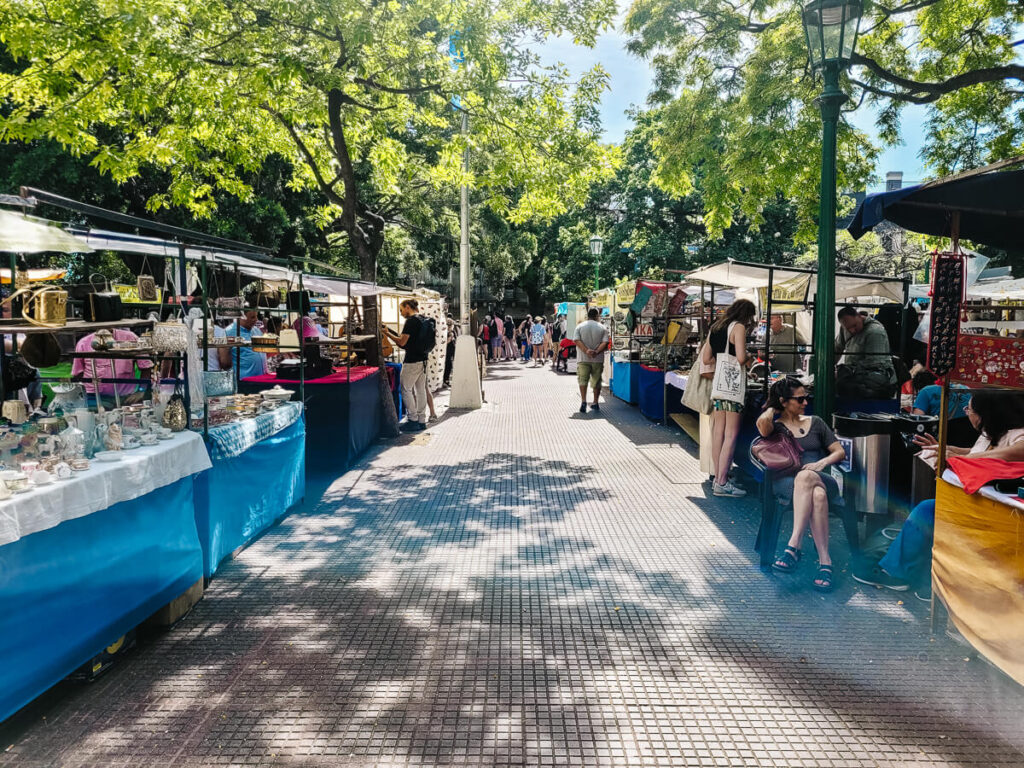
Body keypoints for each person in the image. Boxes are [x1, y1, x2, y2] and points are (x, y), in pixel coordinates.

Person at [855, 390, 1024, 599]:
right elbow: (974, 453)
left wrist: (962, 458)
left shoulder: (1018, 433)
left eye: (968, 409)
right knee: (927, 509)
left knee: (927, 511)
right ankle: (904, 572)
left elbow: (1012, 452)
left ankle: (908, 575)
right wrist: (945, 449)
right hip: (971, 502)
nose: (966, 413)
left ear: (982, 415)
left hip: (996, 514)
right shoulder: (989, 433)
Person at [759, 377, 848, 593]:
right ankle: (825, 563)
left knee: (806, 477)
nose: (805, 402)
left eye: (806, 398)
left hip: (820, 477)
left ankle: (794, 545)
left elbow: (839, 451)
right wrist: (773, 407)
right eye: (800, 399)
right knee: (817, 496)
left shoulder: (815, 422)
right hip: (786, 482)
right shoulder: (776, 426)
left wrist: (822, 462)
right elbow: (762, 425)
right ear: (784, 401)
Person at [701, 298, 756, 498]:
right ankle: (722, 482)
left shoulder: (716, 327)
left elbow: (706, 359)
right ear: (746, 314)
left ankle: (718, 477)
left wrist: (722, 359)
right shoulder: (738, 327)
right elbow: (741, 358)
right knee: (731, 435)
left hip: (718, 385)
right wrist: (749, 356)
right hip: (733, 387)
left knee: (718, 433)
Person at [72, 329, 155, 407]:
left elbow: (146, 366)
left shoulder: (130, 338)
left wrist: (141, 391)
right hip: (93, 398)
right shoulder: (84, 343)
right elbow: (77, 375)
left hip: (125, 398)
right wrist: (82, 398)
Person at [382, 298, 430, 432]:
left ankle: (413, 419)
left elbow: (402, 342)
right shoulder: (422, 319)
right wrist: (390, 332)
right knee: (420, 391)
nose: (401, 313)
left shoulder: (410, 321)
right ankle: (421, 420)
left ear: (408, 307)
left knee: (405, 389)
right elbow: (407, 340)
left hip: (412, 361)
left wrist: (386, 333)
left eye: (401, 309)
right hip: (424, 360)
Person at [835, 305, 896, 399]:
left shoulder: (875, 332)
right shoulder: (845, 328)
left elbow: (874, 363)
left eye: (854, 326)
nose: (852, 330)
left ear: (859, 316)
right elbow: (838, 348)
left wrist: (847, 370)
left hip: (876, 378)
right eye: (848, 328)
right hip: (855, 375)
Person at [573, 307, 610, 414]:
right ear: (597, 316)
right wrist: (596, 351)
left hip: (583, 358)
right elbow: (605, 342)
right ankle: (595, 402)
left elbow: (576, 340)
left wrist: (586, 351)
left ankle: (584, 401)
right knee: (596, 381)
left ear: (587, 315)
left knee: (582, 380)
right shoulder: (602, 327)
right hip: (597, 359)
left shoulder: (580, 326)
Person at [225, 308, 268, 379]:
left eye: (256, 316)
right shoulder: (228, 332)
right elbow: (225, 362)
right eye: (252, 317)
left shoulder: (256, 330)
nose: (256, 319)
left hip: (262, 378)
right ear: (242, 317)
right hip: (244, 381)